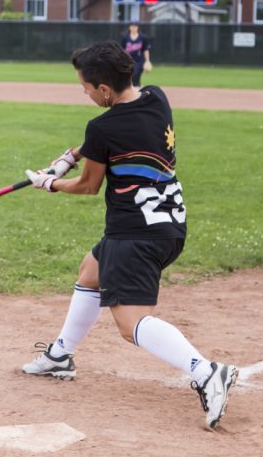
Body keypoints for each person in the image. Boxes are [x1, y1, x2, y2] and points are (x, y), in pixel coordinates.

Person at [21, 41, 237, 430]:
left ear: (104, 90)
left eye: (86, 87)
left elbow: (88, 186)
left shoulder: (102, 127)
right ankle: (60, 355)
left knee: (130, 323)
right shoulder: (156, 98)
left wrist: (51, 183)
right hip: (169, 226)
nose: (84, 92)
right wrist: (71, 156)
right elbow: (112, 142)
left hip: (134, 235)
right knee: (91, 271)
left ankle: (206, 372)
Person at [120, 21, 152, 87]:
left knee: (136, 75)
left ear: (137, 27)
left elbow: (145, 50)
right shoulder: (125, 38)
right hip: (128, 61)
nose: (133, 28)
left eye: (135, 26)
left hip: (139, 61)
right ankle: (132, 91)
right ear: (129, 27)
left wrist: (147, 61)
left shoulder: (143, 37)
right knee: (129, 77)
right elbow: (122, 50)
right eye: (132, 26)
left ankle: (136, 91)